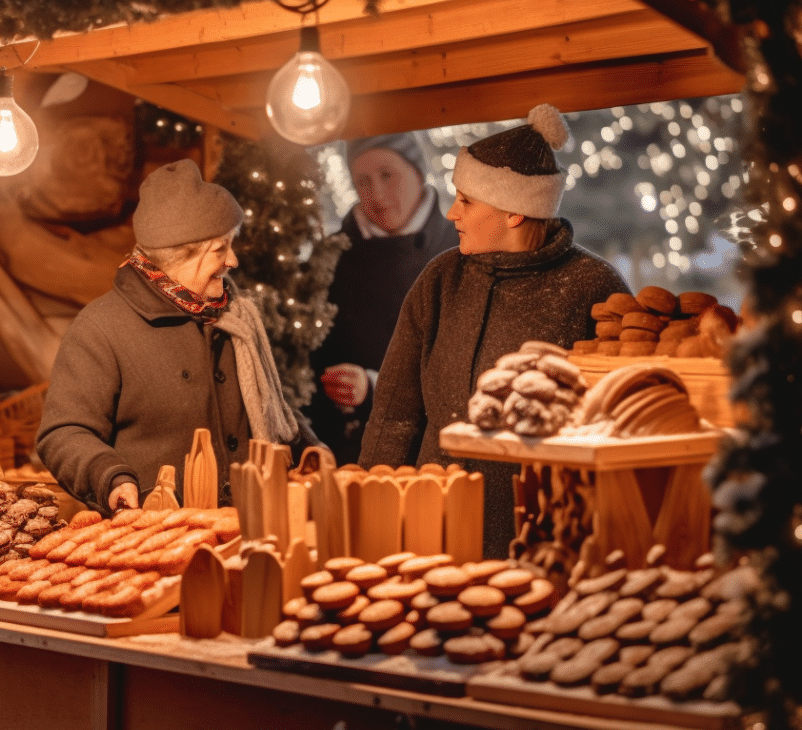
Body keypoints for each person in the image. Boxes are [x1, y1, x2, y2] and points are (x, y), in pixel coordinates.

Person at [359, 105, 630, 558]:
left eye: (466, 200)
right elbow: (396, 412)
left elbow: (617, 431)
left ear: (514, 213)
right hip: (432, 531)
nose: (451, 213)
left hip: (541, 539)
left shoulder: (594, 288)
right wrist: (370, 514)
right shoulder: (441, 280)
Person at [37, 159, 317, 513]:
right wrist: (109, 476)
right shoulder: (101, 329)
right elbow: (63, 432)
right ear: (179, 254)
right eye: (220, 249)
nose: (233, 260)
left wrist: (311, 452)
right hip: (154, 535)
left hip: (252, 525)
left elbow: (271, 406)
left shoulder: (237, 318)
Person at [307, 133, 457, 465]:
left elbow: (458, 365)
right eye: (363, 181)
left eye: (387, 175)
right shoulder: (330, 255)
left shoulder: (457, 250)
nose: (377, 194)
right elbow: (302, 357)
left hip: (435, 455)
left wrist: (375, 388)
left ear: (417, 173)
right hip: (345, 453)